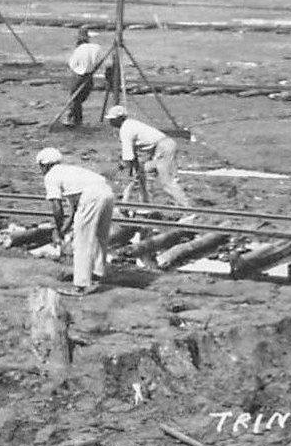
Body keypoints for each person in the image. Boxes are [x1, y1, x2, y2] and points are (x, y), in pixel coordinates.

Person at [36, 148, 118, 294]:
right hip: (107, 192)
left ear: (44, 165)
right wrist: (62, 231)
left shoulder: (51, 176)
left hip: (91, 196)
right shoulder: (70, 171)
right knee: (100, 236)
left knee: (82, 241)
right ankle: (97, 274)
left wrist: (57, 230)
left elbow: (57, 207)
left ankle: (81, 285)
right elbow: (74, 211)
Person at [106, 105, 192, 206]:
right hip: (161, 147)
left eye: (113, 119)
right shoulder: (131, 124)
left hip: (164, 148)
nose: (110, 122)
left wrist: (124, 169)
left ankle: (188, 209)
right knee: (144, 174)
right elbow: (138, 153)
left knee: (166, 181)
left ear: (120, 118)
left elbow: (128, 157)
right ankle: (146, 205)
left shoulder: (126, 129)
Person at [65, 28, 107, 127]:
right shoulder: (97, 48)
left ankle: (75, 120)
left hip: (79, 75)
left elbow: (72, 64)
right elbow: (99, 61)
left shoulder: (79, 50)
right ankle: (75, 118)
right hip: (89, 75)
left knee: (75, 99)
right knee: (80, 99)